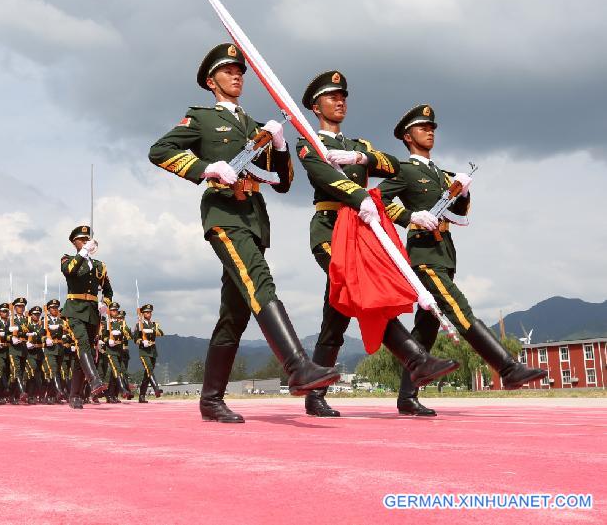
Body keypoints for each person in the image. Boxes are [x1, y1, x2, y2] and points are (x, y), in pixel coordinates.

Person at [148, 43, 339, 423]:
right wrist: (207, 167)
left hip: (252, 216)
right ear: (211, 80)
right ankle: (297, 364)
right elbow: (160, 151)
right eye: (229, 71)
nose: (237, 76)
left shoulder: (255, 127)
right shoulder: (202, 119)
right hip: (224, 214)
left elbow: (282, 183)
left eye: (240, 71)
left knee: (234, 314)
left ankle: (211, 399)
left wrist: (280, 148)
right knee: (259, 281)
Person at [294, 71, 458, 418]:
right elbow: (321, 174)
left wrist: (359, 159)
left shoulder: (358, 146)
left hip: (362, 232)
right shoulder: (308, 141)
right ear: (315, 106)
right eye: (332, 97)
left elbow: (393, 165)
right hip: (330, 230)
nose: (340, 102)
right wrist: (356, 193)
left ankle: (314, 394)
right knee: (361, 291)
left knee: (336, 316)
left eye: (343, 97)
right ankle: (415, 358)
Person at [379, 104, 547, 415]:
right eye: (422, 128)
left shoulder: (441, 174)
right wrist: (410, 216)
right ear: (407, 136)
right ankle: (507, 368)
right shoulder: (404, 170)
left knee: (425, 328)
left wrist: (463, 193)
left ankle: (407, 396)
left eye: (432, 128)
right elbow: (380, 199)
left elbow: (458, 213)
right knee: (458, 308)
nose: (430, 131)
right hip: (423, 254)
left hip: (444, 253)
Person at [61, 225, 113, 409]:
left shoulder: (100, 265)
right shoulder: (67, 259)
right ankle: (95, 381)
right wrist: (83, 252)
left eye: (87, 239)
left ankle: (75, 395)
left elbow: (107, 290)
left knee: (85, 353)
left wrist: (105, 303)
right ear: (74, 242)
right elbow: (70, 271)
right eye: (82, 240)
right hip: (74, 309)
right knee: (82, 343)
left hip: (92, 311)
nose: (86, 242)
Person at [135, 304, 164, 402]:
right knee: (149, 369)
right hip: (144, 351)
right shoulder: (139, 325)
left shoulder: (154, 324)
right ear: (142, 314)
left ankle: (141, 396)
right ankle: (156, 389)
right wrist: (142, 341)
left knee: (147, 375)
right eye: (147, 312)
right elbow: (135, 338)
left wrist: (153, 329)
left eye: (150, 312)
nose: (149, 314)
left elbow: (161, 333)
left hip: (153, 351)